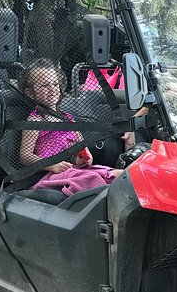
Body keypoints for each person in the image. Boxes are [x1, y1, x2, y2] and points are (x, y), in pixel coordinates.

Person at [19, 58, 122, 196]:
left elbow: (80, 146)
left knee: (120, 174)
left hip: (73, 170)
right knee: (90, 178)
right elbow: (25, 156)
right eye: (45, 86)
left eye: (55, 84)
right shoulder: (35, 120)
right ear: (30, 93)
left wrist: (85, 158)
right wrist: (52, 165)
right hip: (50, 174)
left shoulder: (68, 118)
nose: (52, 89)